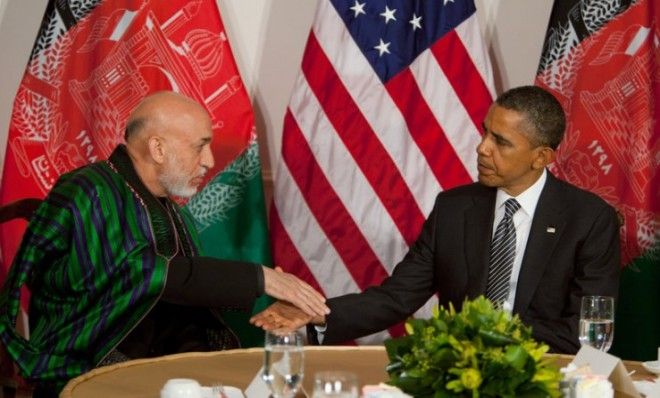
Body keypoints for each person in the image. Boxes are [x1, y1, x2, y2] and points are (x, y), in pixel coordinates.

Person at [0, 91, 329, 395]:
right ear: (157, 148)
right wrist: (261, 278)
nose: (210, 161)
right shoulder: (89, 189)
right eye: (200, 146)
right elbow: (140, 273)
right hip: (90, 375)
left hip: (164, 375)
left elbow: (182, 300)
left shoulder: (169, 208)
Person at [251, 86, 621, 354]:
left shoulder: (588, 220)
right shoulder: (454, 209)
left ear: (541, 157)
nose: (482, 148)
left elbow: (583, 333)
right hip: (456, 374)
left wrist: (491, 332)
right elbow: (397, 297)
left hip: (542, 377)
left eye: (501, 141)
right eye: (484, 131)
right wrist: (316, 315)